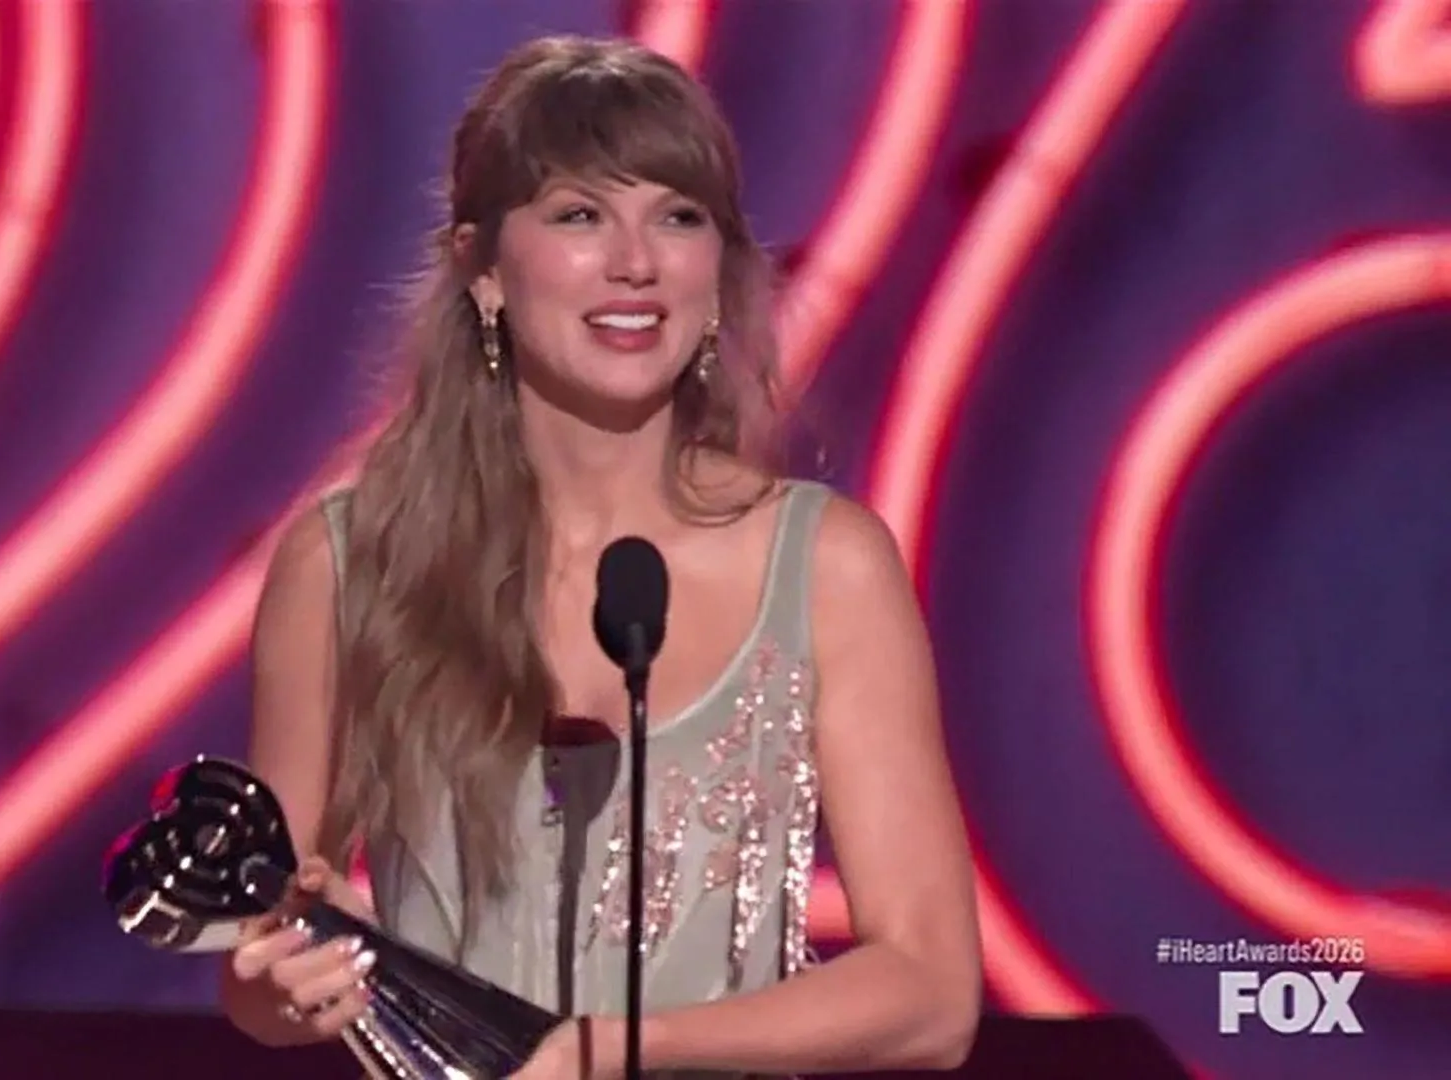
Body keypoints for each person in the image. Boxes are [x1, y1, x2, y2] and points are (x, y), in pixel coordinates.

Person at [219, 33, 981, 1078]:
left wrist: (608, 1053)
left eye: (678, 216)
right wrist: (279, 986)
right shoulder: (345, 566)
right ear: (483, 269)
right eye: (580, 215)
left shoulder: (827, 567)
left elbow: (931, 993)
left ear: (718, 272)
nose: (636, 261)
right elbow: (266, 952)